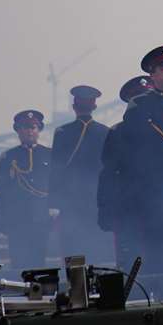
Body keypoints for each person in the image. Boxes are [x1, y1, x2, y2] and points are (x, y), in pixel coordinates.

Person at [98, 46, 163, 273]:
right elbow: (133, 154)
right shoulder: (141, 106)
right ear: (153, 75)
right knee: (153, 256)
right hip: (152, 195)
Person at [48, 85, 113, 264]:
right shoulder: (105, 131)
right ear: (94, 106)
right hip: (95, 198)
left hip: (72, 200)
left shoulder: (62, 132)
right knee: (95, 248)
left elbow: (56, 170)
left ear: (74, 107)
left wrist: (54, 202)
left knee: (73, 247)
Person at [98, 76, 153, 266]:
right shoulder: (117, 132)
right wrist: (105, 209)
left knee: (161, 260)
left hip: (161, 207)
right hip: (128, 209)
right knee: (129, 263)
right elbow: (108, 173)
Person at [0, 110, 52, 271]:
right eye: (25, 128)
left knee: (38, 261)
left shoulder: (49, 154)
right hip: (17, 219)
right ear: (18, 131)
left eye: (33, 127)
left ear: (39, 130)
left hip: (40, 217)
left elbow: (56, 186)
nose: (29, 131)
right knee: (19, 263)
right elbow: (2, 190)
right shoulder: (8, 157)